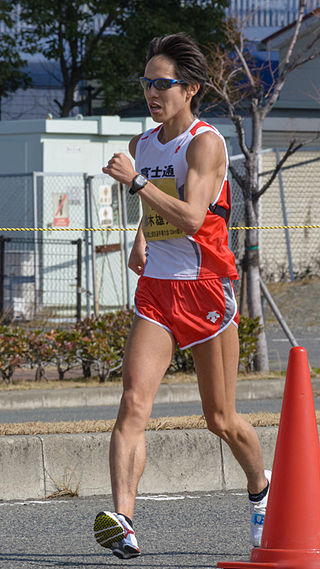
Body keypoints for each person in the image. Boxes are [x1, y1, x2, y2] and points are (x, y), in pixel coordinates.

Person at [93, 32, 271, 560]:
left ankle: (261, 489)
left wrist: (136, 184)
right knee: (132, 404)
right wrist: (140, 240)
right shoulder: (141, 144)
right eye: (146, 83)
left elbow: (193, 216)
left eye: (162, 84)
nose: (152, 92)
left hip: (204, 289)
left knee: (220, 419)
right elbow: (159, 211)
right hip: (157, 294)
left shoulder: (205, 142)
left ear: (189, 89)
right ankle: (123, 519)